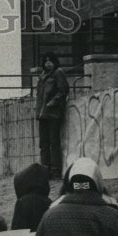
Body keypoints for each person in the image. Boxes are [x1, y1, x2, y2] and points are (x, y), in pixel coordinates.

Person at [35, 52, 70, 180]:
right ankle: (45, 170)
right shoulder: (42, 76)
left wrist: (53, 102)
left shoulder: (58, 73)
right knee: (43, 143)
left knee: (53, 142)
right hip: (42, 114)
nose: (48, 63)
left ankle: (56, 170)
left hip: (53, 113)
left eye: (50, 61)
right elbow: (39, 96)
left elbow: (63, 90)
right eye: (46, 61)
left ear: (55, 62)